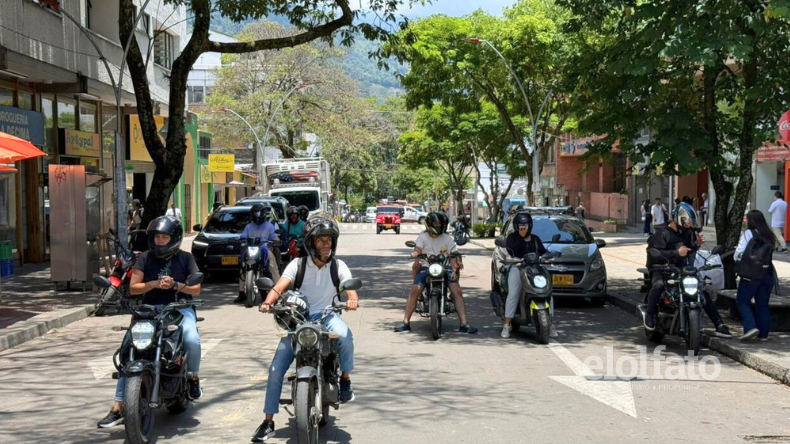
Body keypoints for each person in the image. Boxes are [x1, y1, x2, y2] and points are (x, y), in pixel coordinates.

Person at [251, 217, 359, 442]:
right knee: (276, 369)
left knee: (346, 336)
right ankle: (268, 421)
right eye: (321, 240)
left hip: (328, 316)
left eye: (329, 240)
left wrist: (352, 300)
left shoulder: (338, 266)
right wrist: (268, 303)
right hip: (298, 319)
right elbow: (279, 287)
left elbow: (350, 288)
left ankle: (345, 379)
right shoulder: (297, 265)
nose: (326, 244)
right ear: (311, 243)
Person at [97, 216, 203, 428]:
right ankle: (118, 406)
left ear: (174, 238)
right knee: (128, 350)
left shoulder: (186, 258)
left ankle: (192, 377)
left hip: (179, 308)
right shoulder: (145, 258)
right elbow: (134, 287)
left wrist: (175, 285)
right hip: (149, 311)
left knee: (191, 338)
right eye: (157, 237)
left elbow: (196, 289)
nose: (160, 241)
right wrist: (153, 284)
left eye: (164, 237)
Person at [643, 203, 732, 337]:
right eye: (687, 221)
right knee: (658, 285)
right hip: (661, 269)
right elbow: (652, 252)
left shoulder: (686, 233)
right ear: (679, 218)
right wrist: (676, 253)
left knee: (700, 290)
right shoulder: (662, 233)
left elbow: (689, 251)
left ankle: (719, 324)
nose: (689, 225)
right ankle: (650, 315)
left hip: (681, 270)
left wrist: (697, 244)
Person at [393, 212, 478, 334]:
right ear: (429, 223)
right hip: (426, 266)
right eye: (435, 223)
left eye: (440, 223)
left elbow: (453, 254)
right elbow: (417, 249)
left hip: (445, 267)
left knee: (457, 291)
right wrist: (415, 253)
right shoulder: (423, 237)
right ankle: (406, 322)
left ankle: (464, 324)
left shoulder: (447, 238)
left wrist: (455, 269)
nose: (438, 225)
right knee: (415, 290)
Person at [500, 212, 559, 338]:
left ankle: (550, 324)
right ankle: (507, 324)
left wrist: (548, 257)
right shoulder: (512, 238)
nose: (523, 227)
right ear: (516, 226)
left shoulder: (535, 239)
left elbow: (543, 252)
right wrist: (521, 238)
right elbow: (512, 251)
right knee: (513, 294)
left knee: (548, 293)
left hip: (535, 270)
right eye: (520, 225)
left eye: (525, 225)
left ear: (530, 225)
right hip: (518, 268)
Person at [734, 210, 777, 341]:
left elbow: (738, 253)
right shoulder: (769, 234)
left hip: (750, 274)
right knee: (762, 304)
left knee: (742, 301)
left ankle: (750, 327)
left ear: (750, 221)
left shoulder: (749, 233)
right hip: (767, 274)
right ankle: (763, 334)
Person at [235, 204, 281, 303]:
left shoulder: (269, 226)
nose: (257, 215)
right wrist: (239, 239)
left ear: (263, 214)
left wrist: (276, 240)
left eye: (259, 213)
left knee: (273, 266)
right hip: (250, 248)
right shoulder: (249, 226)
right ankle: (241, 292)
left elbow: (274, 236)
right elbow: (243, 236)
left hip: (264, 248)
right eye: (255, 213)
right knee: (243, 267)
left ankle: (279, 291)